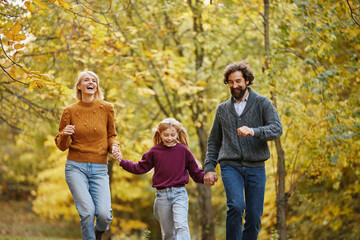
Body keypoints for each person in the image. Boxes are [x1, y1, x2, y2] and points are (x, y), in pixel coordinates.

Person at [203, 61, 283, 240]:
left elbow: (277, 129)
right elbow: (214, 141)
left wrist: (254, 131)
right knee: (236, 206)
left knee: (254, 216)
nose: (234, 85)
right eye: (231, 82)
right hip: (230, 166)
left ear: (247, 81)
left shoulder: (262, 103)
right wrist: (209, 167)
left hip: (256, 166)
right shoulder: (222, 109)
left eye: (238, 81)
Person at [116, 118, 209, 240]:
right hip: (162, 196)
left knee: (181, 226)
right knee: (168, 234)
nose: (169, 138)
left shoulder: (183, 150)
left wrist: (206, 177)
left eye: (172, 135)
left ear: (177, 134)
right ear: (160, 134)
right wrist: (122, 161)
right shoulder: (155, 151)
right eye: (166, 135)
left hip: (179, 194)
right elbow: (140, 168)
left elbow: (195, 172)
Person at [54, 71, 121, 240]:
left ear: (96, 86)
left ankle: (98, 233)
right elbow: (62, 146)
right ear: (79, 86)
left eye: (94, 81)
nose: (91, 82)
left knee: (105, 215)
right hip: (76, 167)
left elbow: (111, 135)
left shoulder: (107, 108)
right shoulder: (69, 111)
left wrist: (114, 147)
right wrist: (65, 134)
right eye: (86, 80)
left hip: (99, 168)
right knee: (87, 213)